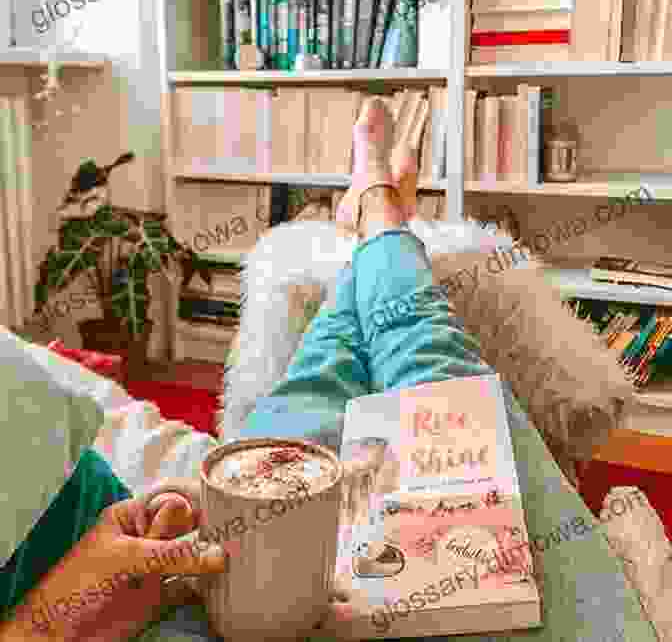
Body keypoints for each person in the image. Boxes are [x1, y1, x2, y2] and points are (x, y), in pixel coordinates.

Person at [0, 99, 658, 642]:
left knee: (310, 395)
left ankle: (374, 216)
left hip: (155, 577)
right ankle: (380, 215)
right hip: (130, 616)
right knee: (426, 355)